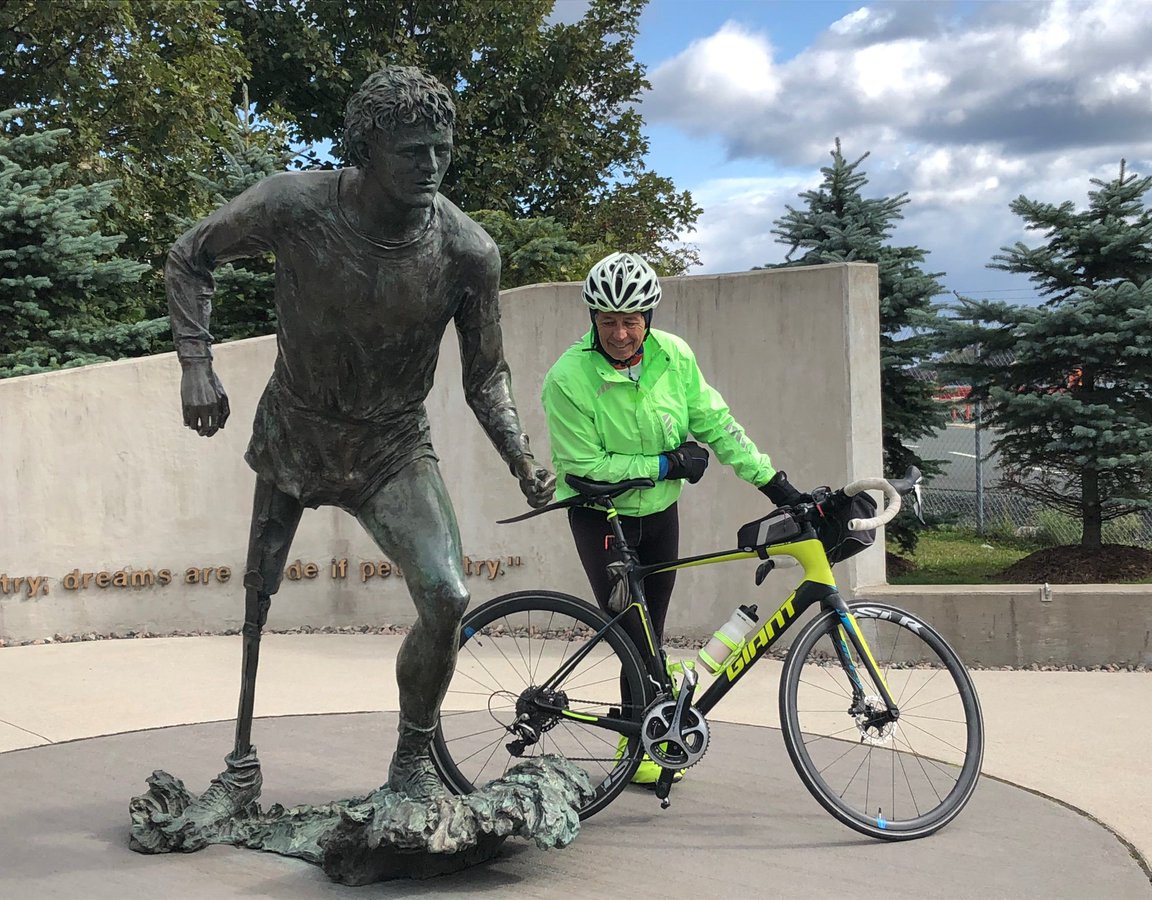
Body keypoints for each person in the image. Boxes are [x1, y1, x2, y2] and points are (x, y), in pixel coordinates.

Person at [164, 65, 553, 820]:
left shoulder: (468, 251)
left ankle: (413, 759)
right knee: (256, 602)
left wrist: (520, 458)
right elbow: (190, 255)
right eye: (413, 152)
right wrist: (196, 364)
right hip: (296, 431)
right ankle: (240, 767)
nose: (431, 167)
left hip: (392, 447)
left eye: (441, 150)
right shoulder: (293, 205)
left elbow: (486, 377)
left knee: (447, 595)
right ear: (366, 148)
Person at [540, 251, 804, 785]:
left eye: (631, 321)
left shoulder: (673, 357)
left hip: (660, 516)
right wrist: (668, 463)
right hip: (602, 518)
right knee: (634, 639)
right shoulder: (567, 377)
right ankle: (633, 746)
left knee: (651, 631)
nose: (619, 333)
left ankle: (651, 736)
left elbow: (716, 423)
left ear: (649, 318)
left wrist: (775, 484)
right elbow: (583, 465)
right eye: (608, 321)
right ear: (592, 318)